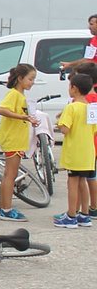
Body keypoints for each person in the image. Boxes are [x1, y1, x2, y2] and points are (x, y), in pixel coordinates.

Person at [0, 63, 39, 221]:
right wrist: (23, 117)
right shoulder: (14, 95)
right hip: (12, 139)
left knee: (9, 175)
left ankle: (3, 207)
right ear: (20, 78)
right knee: (10, 175)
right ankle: (6, 209)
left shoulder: (21, 96)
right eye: (30, 79)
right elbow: (1, 109)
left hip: (17, 140)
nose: (32, 82)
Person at [53, 72, 97, 228]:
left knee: (72, 183)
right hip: (88, 152)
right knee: (83, 182)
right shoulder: (91, 108)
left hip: (74, 152)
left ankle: (71, 215)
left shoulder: (71, 107)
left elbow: (65, 129)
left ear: (74, 89)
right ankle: (84, 214)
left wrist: (58, 122)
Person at [73, 60, 97, 217]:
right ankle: (92, 207)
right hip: (92, 140)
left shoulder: (86, 100)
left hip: (87, 142)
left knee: (82, 179)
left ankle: (78, 210)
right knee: (91, 176)